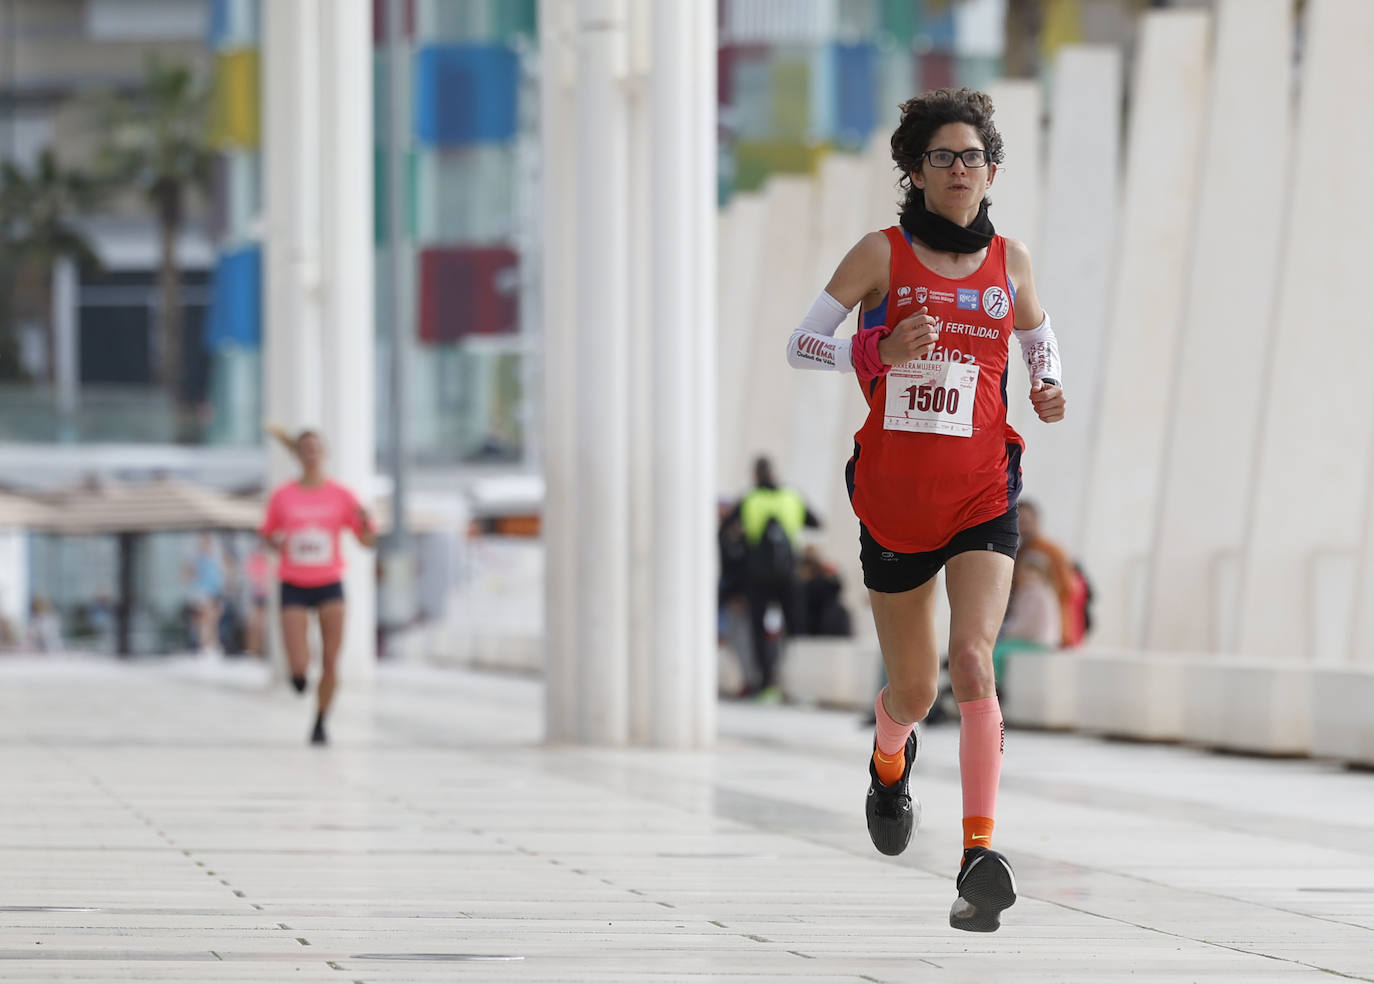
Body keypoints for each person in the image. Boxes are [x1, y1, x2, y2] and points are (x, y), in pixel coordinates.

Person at [784, 87, 1066, 932]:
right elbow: (801, 344)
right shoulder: (881, 253)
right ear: (914, 169)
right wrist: (873, 346)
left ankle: (978, 854)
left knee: (973, 661)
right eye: (942, 157)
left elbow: (1039, 338)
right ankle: (888, 759)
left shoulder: (1008, 262)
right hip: (897, 498)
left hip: (983, 489)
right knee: (912, 686)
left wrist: (1049, 386)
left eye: (973, 158)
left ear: (991, 172)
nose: (959, 171)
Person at [259, 428, 376, 745]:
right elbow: (267, 533)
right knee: (298, 660)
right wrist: (276, 542)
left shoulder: (342, 495)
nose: (311, 454)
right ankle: (298, 676)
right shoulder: (283, 496)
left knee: (330, 658)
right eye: (305, 449)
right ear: (297, 455)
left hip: (329, 581)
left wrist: (367, 523)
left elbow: (366, 541)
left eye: (316, 448)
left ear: (324, 454)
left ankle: (321, 720)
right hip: (294, 581)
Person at [718, 456, 821, 702]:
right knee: (792, 627)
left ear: (755, 475)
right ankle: (785, 680)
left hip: (757, 576)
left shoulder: (750, 499)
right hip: (788, 574)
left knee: (758, 629)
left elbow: (725, 530)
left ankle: (764, 682)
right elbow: (816, 523)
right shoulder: (791, 497)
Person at [1015, 499, 1079, 647]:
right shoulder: (1018, 552)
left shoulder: (1052, 551)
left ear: (1036, 521)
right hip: (1024, 630)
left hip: (1050, 632)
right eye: (1019, 522)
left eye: (1026, 521)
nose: (1022, 527)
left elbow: (1067, 588)